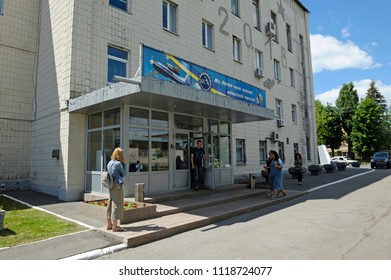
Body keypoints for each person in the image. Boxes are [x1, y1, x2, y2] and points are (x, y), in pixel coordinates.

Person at [106, 147, 127, 232]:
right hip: (117, 185)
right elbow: (124, 174)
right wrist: (124, 165)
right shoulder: (118, 164)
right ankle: (115, 226)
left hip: (111, 185)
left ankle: (109, 224)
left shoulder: (109, 163)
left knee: (110, 202)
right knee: (117, 204)